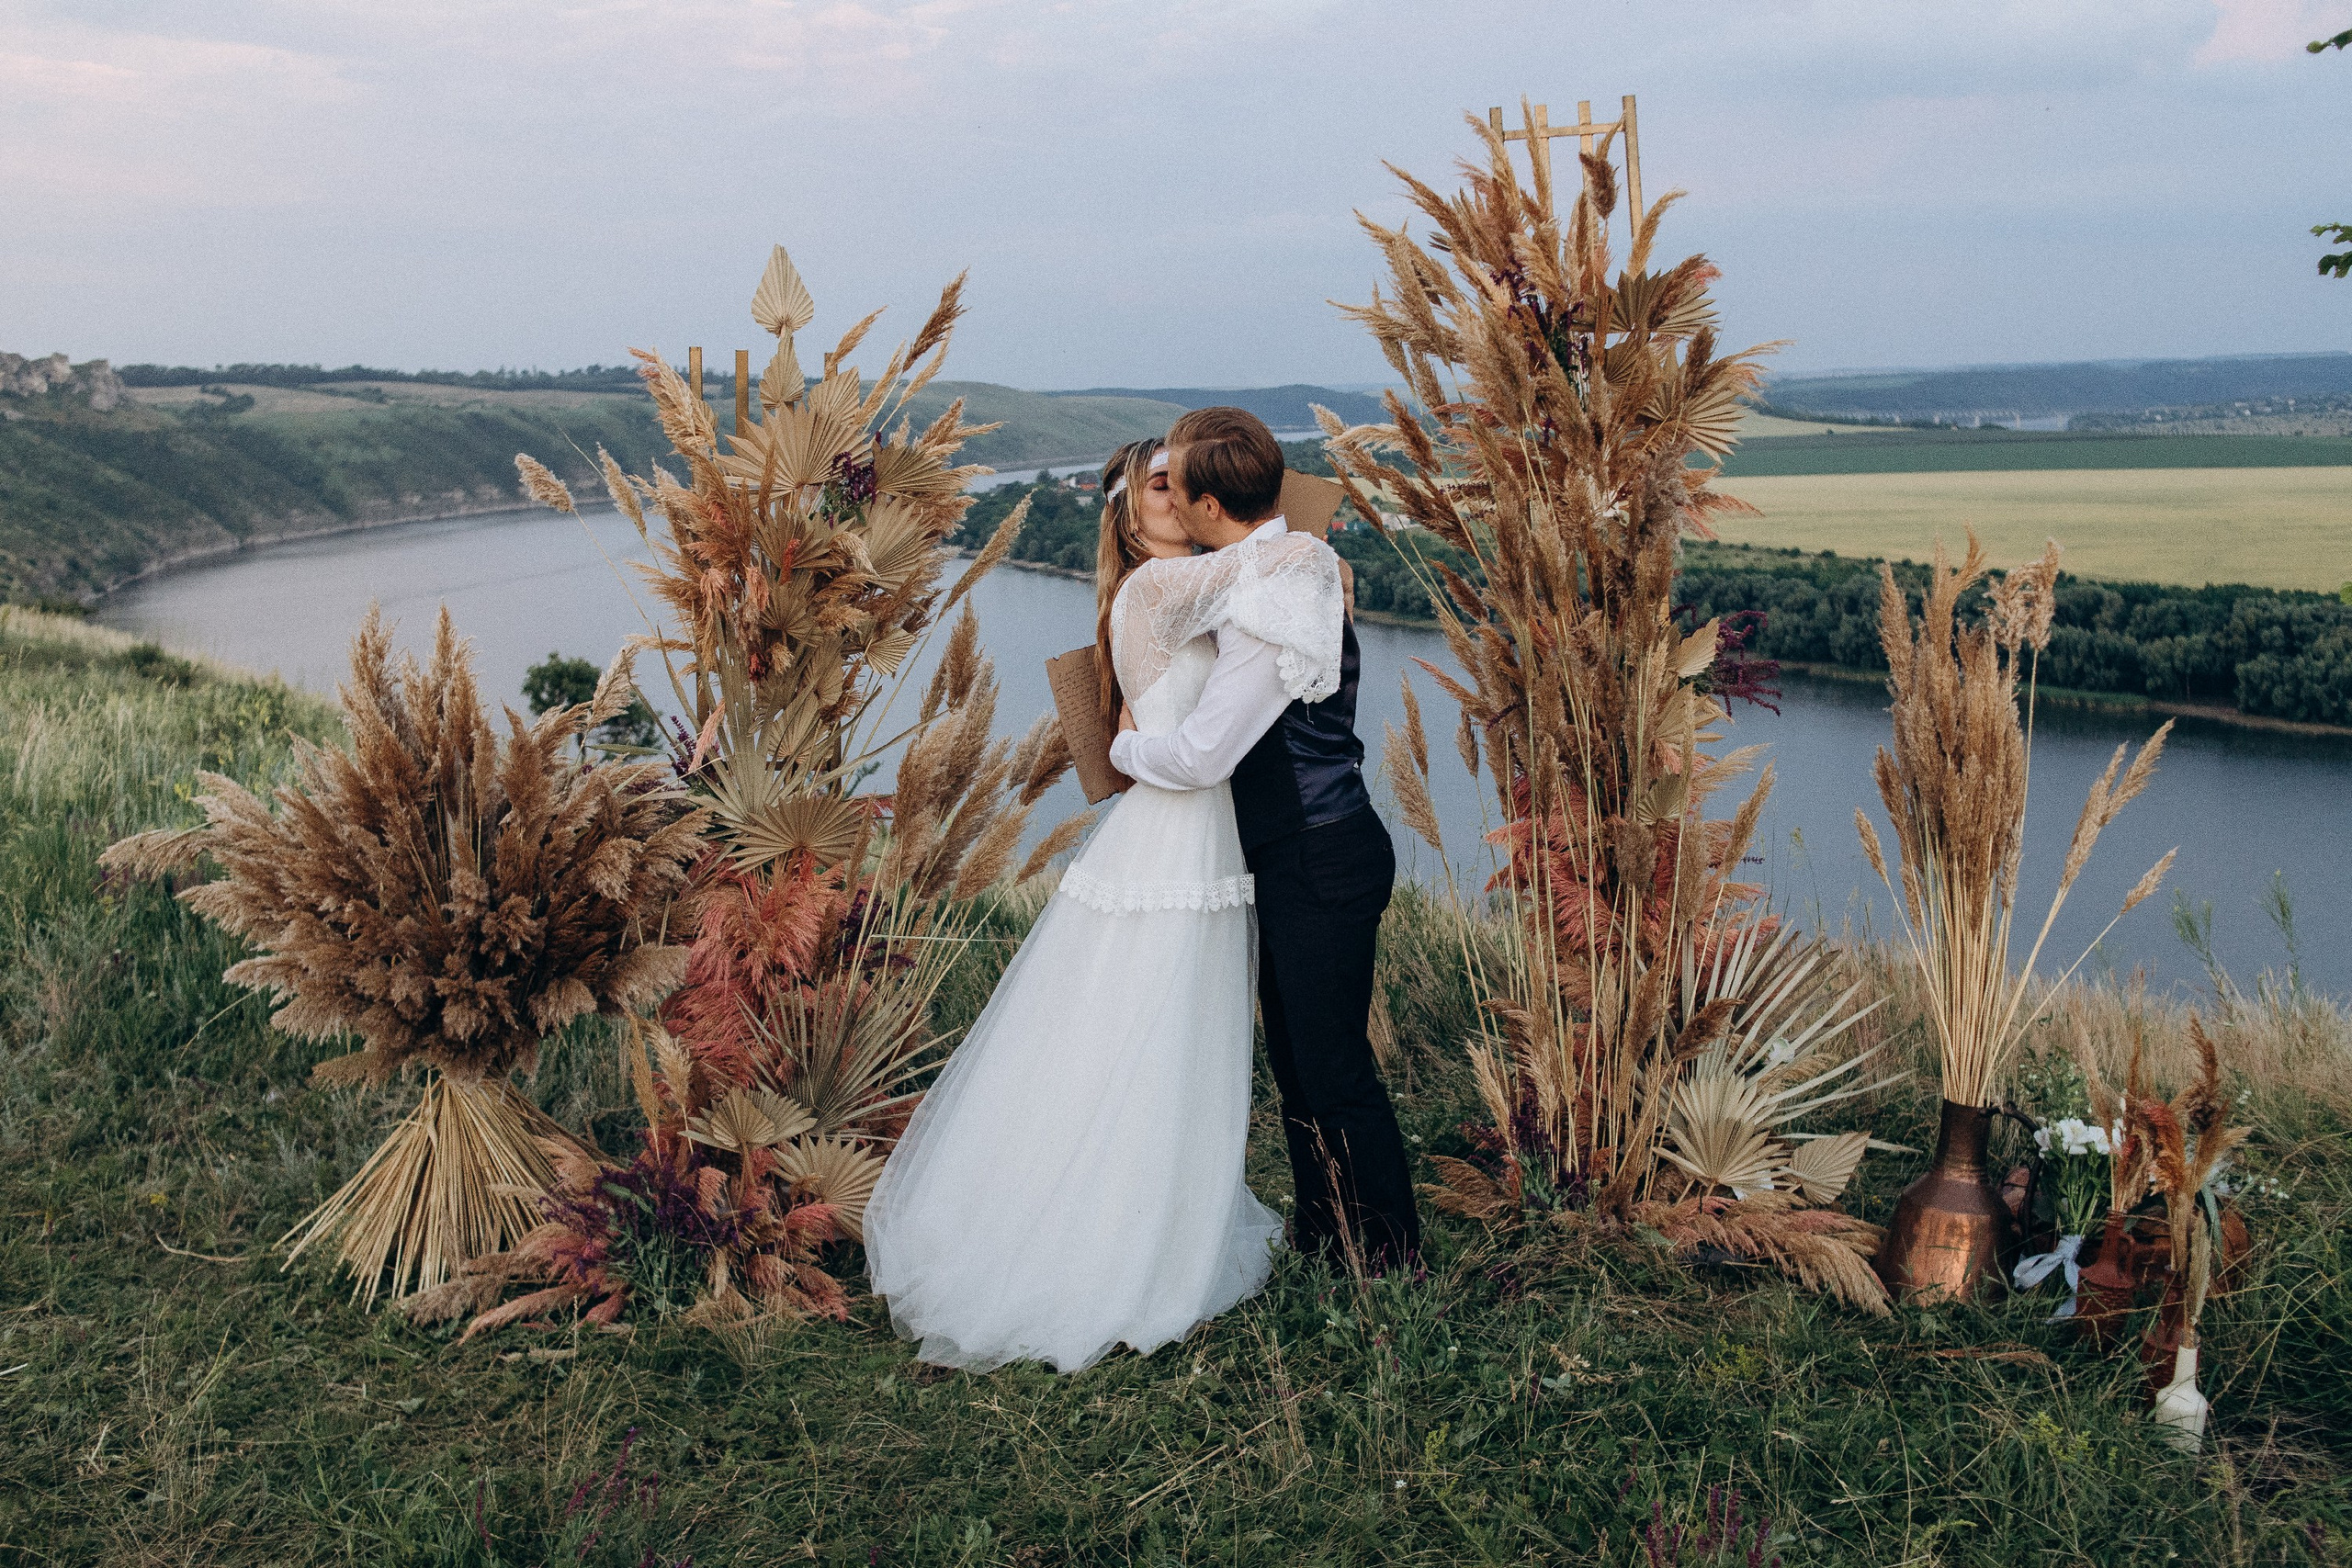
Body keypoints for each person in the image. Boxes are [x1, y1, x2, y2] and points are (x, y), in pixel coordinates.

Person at [863, 435, 1311, 1372]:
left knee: (1177, 1029)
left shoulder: (1200, 581)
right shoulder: (1158, 590)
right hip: (1173, 837)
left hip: (1200, 831)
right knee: (1142, 1025)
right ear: (1129, 514)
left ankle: (1158, 1211)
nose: (1180, 495)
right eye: (1159, 486)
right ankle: (1106, 1242)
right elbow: (1283, 543)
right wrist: (1287, 513)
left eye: (1187, 484)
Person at [1109, 406, 1420, 1271]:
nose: (1168, 495)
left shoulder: (1269, 600)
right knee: (1301, 1062)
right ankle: (1330, 1239)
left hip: (1320, 850)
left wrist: (1123, 745)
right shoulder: (1288, 565)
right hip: (1308, 850)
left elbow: (1208, 750)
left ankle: (1392, 1256)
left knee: (1332, 1069)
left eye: (1178, 485)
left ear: (1211, 505)